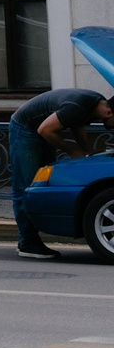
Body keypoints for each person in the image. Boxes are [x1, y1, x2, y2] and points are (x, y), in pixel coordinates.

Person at [8, 86, 111, 259]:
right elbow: (44, 130)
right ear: (109, 113)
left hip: (42, 128)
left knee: (42, 185)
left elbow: (76, 124)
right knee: (25, 187)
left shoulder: (95, 102)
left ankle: (30, 239)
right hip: (25, 128)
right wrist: (72, 149)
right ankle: (27, 242)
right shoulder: (78, 105)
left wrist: (85, 151)